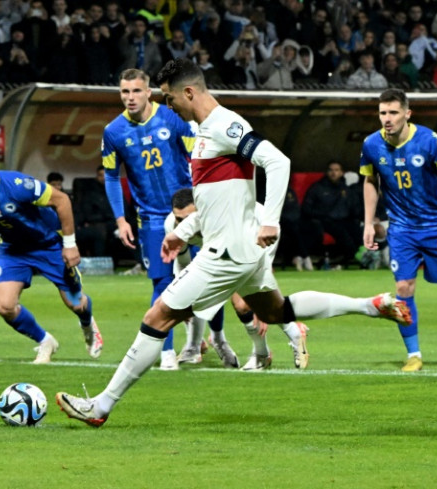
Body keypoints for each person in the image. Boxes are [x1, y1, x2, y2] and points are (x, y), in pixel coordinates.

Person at [56, 58, 411, 427]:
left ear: (189, 92)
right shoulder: (204, 131)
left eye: (169, 97)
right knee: (277, 312)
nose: (167, 104)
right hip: (241, 250)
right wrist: (184, 231)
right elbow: (215, 199)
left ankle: (100, 406)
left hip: (226, 253)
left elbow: (277, 160)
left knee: (157, 317)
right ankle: (370, 306)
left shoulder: (225, 124)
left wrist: (271, 219)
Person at [361, 88, 437, 373]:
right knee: (403, 287)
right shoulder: (371, 144)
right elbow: (369, 181)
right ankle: (413, 354)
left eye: (393, 113)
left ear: (407, 114)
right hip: (401, 229)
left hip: (435, 226)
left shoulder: (429, 141)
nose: (387, 119)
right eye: (382, 113)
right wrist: (368, 222)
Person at [0, 149, 103, 364]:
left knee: (76, 303)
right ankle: (45, 341)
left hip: (49, 243)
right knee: (4, 305)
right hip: (14, 249)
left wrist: (69, 245)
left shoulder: (17, 185)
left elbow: (62, 200)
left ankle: (87, 325)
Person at [101, 68, 196, 370]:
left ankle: (206, 341)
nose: (130, 97)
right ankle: (166, 353)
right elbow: (112, 177)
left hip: (188, 214)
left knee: (206, 277)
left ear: (149, 92)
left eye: (136, 91)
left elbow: (197, 159)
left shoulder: (173, 118)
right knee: (162, 282)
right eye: (124, 92)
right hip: (152, 216)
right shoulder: (113, 132)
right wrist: (121, 219)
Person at [166, 188, 309, 371]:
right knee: (242, 305)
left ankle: (270, 349)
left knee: (249, 305)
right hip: (220, 248)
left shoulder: (224, 218)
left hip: (259, 233)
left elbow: (259, 258)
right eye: (179, 219)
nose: (183, 225)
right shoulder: (173, 226)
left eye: (189, 218)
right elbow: (183, 264)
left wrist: (259, 299)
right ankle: (283, 340)